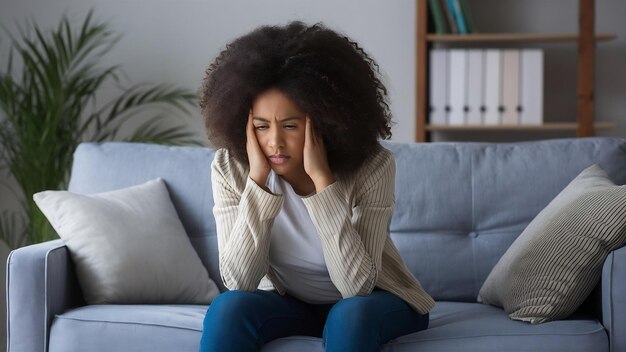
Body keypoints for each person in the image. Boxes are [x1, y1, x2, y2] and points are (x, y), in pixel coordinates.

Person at [198, 21, 434, 352]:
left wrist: (323, 183)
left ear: (325, 122)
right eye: (262, 127)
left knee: (350, 314)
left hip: (372, 302)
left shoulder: (373, 166)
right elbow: (239, 282)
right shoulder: (229, 169)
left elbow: (357, 286)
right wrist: (257, 182)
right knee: (227, 308)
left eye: (290, 125)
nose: (275, 142)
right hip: (291, 303)